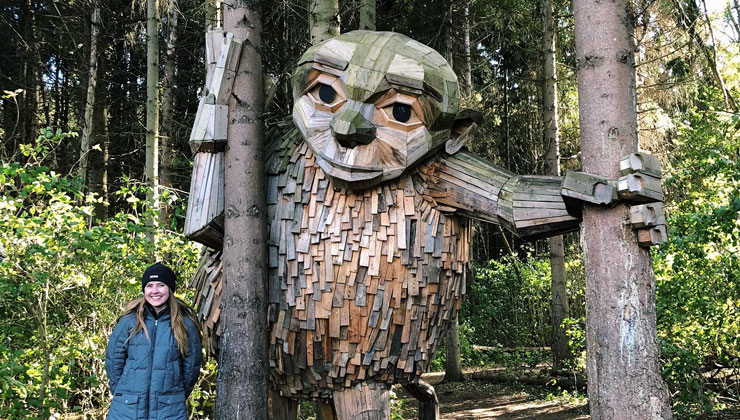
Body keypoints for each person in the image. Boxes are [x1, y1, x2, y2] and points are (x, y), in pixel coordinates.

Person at [105, 262, 203, 420]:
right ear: (144, 289)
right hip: (126, 407)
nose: (155, 291)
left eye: (161, 285)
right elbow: (113, 362)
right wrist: (123, 393)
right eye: (149, 285)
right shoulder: (128, 322)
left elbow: (191, 367)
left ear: (170, 289)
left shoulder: (185, 324)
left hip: (169, 409)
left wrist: (174, 396)